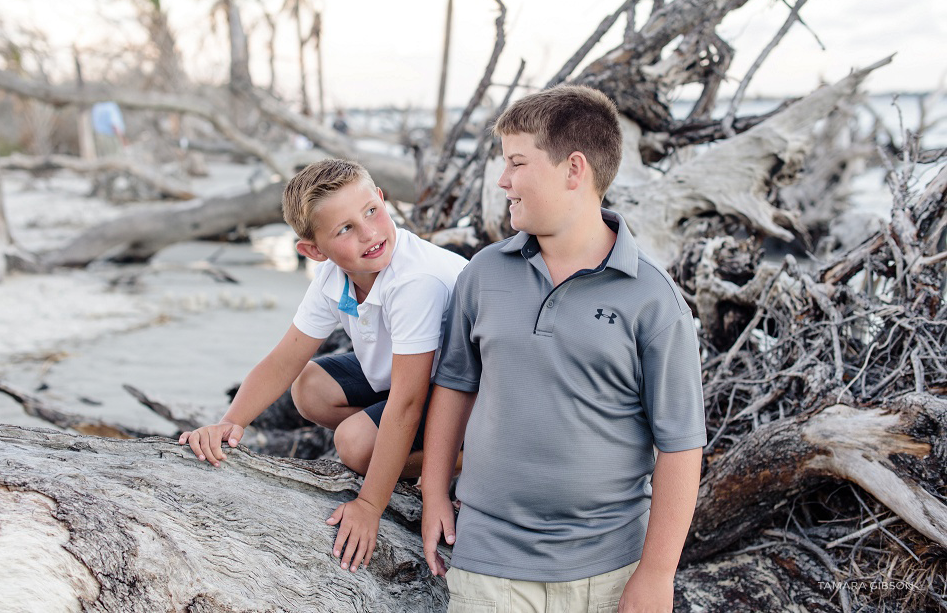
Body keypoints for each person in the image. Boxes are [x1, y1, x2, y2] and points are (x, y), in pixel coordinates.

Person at [421, 85, 706, 612]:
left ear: (574, 170)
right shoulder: (484, 274)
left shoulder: (653, 298)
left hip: (610, 567)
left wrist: (658, 573)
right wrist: (434, 491)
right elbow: (455, 385)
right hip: (488, 559)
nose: (503, 180)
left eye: (516, 163)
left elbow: (681, 444)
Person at [180, 158, 467, 574]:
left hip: (470, 394)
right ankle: (401, 448)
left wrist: (370, 504)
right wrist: (230, 421)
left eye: (371, 211)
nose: (369, 232)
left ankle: (460, 457)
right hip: (412, 377)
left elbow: (407, 402)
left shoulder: (415, 281)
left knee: (353, 445)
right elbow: (283, 360)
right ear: (314, 251)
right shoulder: (335, 277)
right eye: (345, 229)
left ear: (382, 200)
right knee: (309, 386)